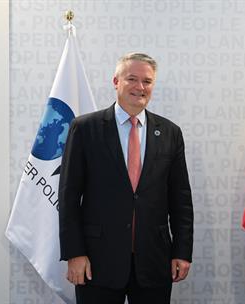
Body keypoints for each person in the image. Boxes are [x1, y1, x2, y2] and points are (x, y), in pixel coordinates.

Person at [58, 52, 193, 304]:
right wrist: (74, 253)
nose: (140, 87)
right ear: (116, 81)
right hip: (97, 262)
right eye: (132, 78)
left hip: (154, 260)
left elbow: (181, 200)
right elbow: (68, 196)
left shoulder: (170, 133)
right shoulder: (84, 128)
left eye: (147, 81)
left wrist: (182, 252)